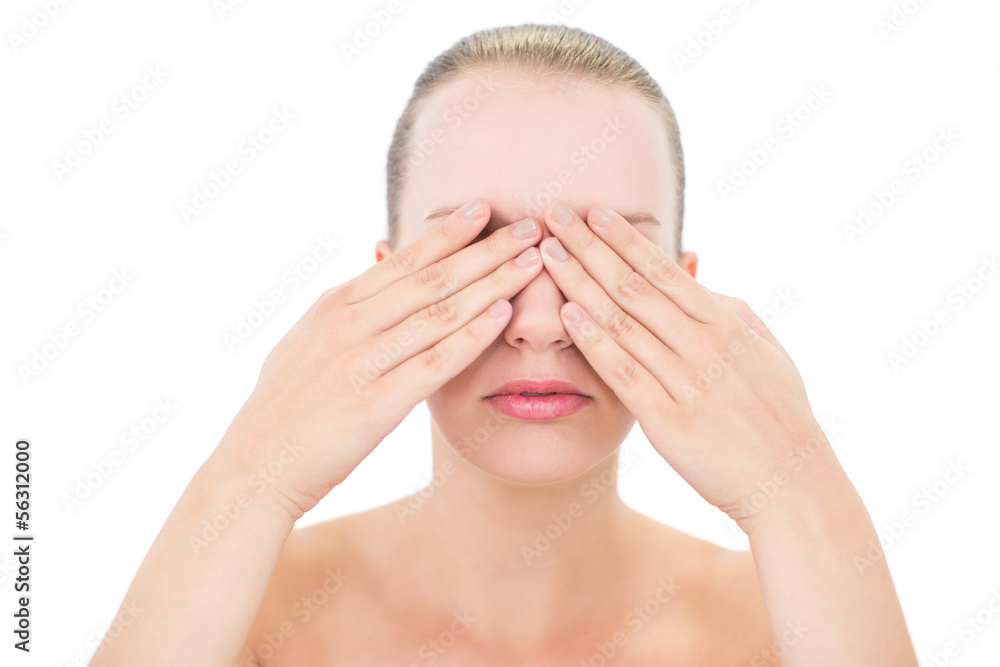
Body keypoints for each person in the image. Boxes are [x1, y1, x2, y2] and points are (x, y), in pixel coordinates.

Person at [91, 23, 919, 666]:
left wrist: (799, 487)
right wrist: (251, 474)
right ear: (384, 283)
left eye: (607, 256)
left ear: (687, 289)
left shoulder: (790, 623)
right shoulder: (248, 616)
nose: (540, 322)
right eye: (480, 247)